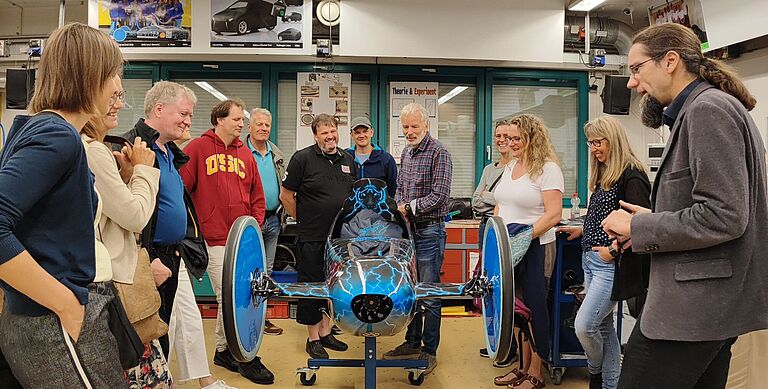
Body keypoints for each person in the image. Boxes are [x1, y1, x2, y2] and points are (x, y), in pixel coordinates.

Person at [601, 23, 768, 389]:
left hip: (692, 311)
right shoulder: (704, 108)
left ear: (671, 61)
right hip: (708, 307)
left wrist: (639, 228)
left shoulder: (708, 110)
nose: (631, 83)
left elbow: (725, 216)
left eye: (636, 69)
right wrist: (652, 221)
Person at [0, 22, 126, 387]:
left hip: (41, 318)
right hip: (49, 320)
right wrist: (64, 302)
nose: (117, 86)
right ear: (89, 76)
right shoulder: (58, 135)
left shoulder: (40, 128)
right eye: (112, 74)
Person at [122, 81, 233, 389]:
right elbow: (123, 214)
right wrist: (144, 262)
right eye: (183, 113)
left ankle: (203, 380)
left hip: (175, 252)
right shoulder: (133, 148)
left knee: (186, 320)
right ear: (159, 109)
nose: (188, 121)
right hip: (148, 258)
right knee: (150, 331)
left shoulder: (170, 152)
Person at [82, 76, 175, 388]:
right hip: (112, 287)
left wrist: (125, 175)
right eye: (115, 96)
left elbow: (109, 213)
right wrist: (145, 170)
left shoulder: (95, 150)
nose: (120, 103)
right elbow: (134, 217)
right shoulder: (93, 151)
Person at [180, 99, 274, 385]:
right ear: (219, 119)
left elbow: (257, 196)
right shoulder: (197, 148)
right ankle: (239, 355)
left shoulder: (245, 154)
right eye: (236, 119)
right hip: (212, 238)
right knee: (232, 299)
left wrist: (252, 228)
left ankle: (224, 350)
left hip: (240, 241)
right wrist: (192, 229)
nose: (241, 124)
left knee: (234, 299)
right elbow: (182, 190)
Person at [556, 116, 651, 389]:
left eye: (599, 142)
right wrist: (583, 231)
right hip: (590, 260)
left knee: (584, 326)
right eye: (591, 143)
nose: (594, 148)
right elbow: (604, 216)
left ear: (614, 140)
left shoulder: (632, 174)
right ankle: (610, 384)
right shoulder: (604, 172)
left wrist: (613, 249)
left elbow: (639, 223)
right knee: (605, 328)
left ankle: (595, 374)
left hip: (609, 264)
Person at [491, 114, 562, 389]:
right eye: (509, 138)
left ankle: (536, 372)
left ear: (533, 138)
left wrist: (523, 238)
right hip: (509, 248)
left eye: (517, 138)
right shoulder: (511, 167)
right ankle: (521, 367)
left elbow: (554, 214)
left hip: (536, 248)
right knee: (516, 310)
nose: (511, 143)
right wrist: (496, 237)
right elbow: (501, 205)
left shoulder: (547, 168)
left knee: (534, 308)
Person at [383, 102, 452, 376]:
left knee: (430, 295)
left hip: (430, 232)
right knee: (410, 291)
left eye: (414, 126)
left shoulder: (439, 154)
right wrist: (401, 203)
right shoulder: (407, 153)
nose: (409, 132)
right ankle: (411, 343)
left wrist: (409, 207)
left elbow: (440, 196)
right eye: (406, 127)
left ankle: (429, 351)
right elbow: (400, 187)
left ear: (426, 126)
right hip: (408, 233)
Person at [280, 113, 354, 359]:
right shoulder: (302, 159)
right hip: (312, 236)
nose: (330, 136)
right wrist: (303, 221)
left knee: (334, 286)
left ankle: (326, 332)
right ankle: (313, 339)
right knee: (312, 286)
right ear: (315, 136)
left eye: (332, 130)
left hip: (341, 238)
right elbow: (286, 195)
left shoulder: (348, 159)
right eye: (324, 132)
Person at [472, 119, 516, 365]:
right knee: (488, 286)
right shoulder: (490, 169)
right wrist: (494, 197)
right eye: (498, 135)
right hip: (486, 228)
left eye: (506, 136)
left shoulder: (519, 167)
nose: (501, 140)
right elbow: (475, 201)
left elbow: (499, 200)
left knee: (506, 290)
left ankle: (509, 346)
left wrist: (489, 195)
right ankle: (495, 339)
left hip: (505, 229)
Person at [246, 108, 286, 336]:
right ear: (250, 126)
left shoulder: (276, 154)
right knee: (250, 272)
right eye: (259, 124)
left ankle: (262, 318)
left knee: (266, 273)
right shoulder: (241, 153)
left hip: (273, 219)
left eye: (267, 126)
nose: (263, 129)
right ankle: (246, 318)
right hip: (251, 222)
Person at [345, 115, 398, 197]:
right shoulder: (344, 157)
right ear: (352, 135)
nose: (361, 135)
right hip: (352, 209)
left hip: (378, 209)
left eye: (365, 131)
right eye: (357, 132)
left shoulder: (386, 159)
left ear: (371, 132)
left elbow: (393, 188)